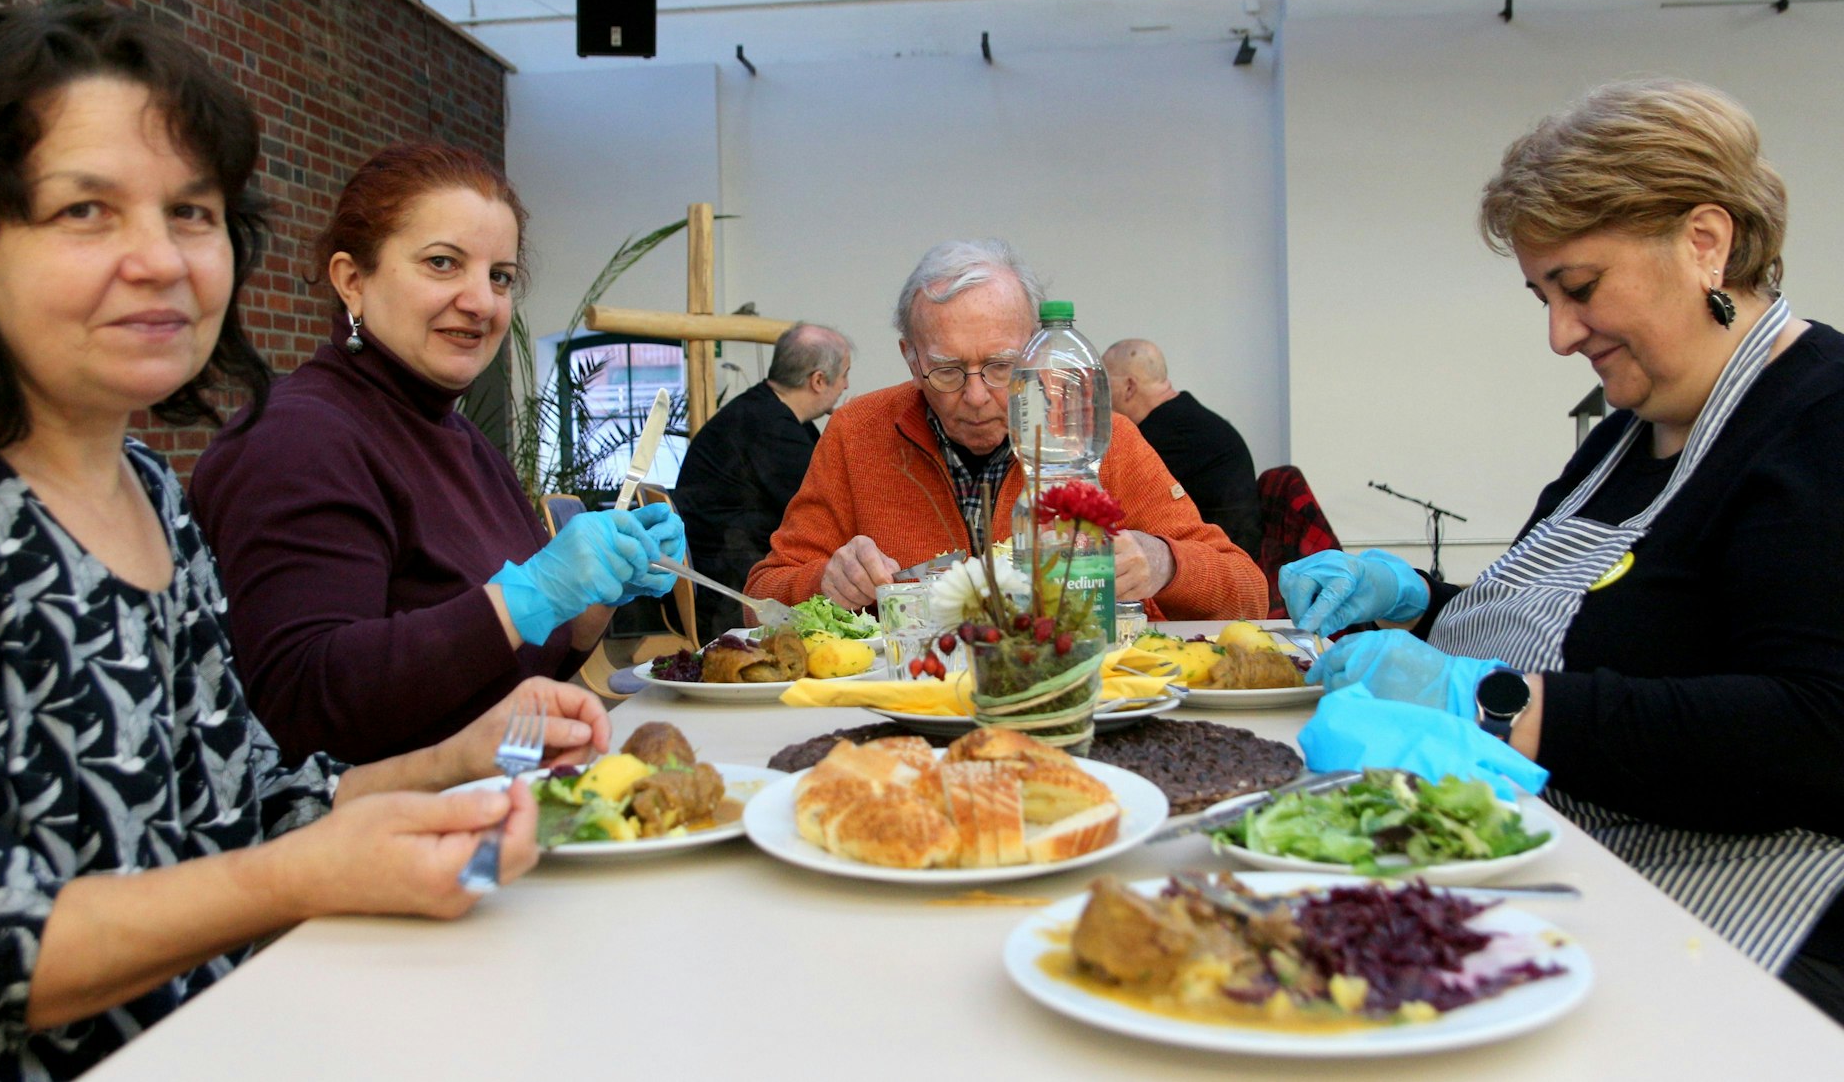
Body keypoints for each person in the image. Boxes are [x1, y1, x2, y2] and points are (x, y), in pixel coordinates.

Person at [0, 3, 611, 1079]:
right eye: (85, 212)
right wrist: (298, 878)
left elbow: (248, 801)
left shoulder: (151, 498)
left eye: (191, 213)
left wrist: (460, 760)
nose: (159, 259)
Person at [1280, 79, 1844, 1021]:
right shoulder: (1632, 427)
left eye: (1580, 288)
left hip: (1740, 929)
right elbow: (1606, 620)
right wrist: (1411, 596)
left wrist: (1496, 704)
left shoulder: (1819, 421)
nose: (1558, 334)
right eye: (1543, 296)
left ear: (1706, 242)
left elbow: (1815, 730)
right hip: (1568, 855)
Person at [189, 142, 685, 763]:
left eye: (499, 276)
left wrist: (593, 600)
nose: (481, 302)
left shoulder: (466, 443)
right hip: (379, 843)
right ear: (352, 281)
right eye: (443, 264)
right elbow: (303, 707)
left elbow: (520, 675)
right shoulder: (293, 439)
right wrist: (529, 594)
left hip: (494, 805)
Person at [746, 239, 1266, 620]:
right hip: (913, 710)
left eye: (1001, 367)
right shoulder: (857, 432)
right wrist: (824, 581)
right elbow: (759, 598)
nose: (975, 397)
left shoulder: (1098, 437)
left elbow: (1248, 592)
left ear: (1037, 348)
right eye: (947, 371)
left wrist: (1163, 562)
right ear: (910, 358)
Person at [675, 322, 851, 635]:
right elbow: (831, 512)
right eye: (844, 375)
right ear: (819, 381)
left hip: (721, 578)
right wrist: (855, 432)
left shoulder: (763, 412)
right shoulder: (772, 430)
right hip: (732, 597)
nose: (846, 386)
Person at [1102, 337, 1263, 559]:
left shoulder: (1166, 435)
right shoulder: (1188, 420)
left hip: (1222, 559)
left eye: (1103, 384)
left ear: (1129, 387)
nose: (1097, 396)